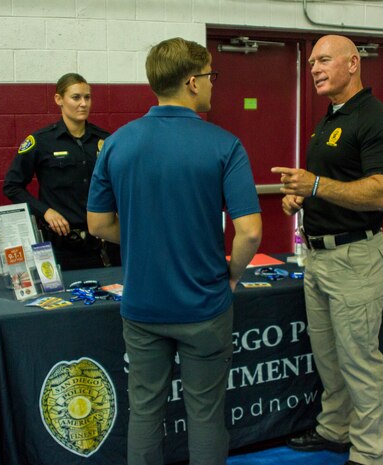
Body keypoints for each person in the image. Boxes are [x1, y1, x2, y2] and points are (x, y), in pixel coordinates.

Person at [86, 37, 262, 465]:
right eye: (210, 76)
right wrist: (234, 274)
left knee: (144, 412)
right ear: (191, 82)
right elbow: (250, 233)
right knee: (205, 414)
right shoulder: (224, 145)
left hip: (144, 305)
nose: (213, 85)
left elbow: (98, 224)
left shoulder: (117, 143)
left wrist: (149, 237)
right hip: (204, 305)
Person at [271, 35, 383, 465]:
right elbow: (333, 184)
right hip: (319, 257)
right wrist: (302, 197)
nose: (314, 68)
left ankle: (369, 452)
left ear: (353, 63)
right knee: (328, 356)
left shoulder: (377, 120)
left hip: (355, 258)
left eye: (323, 60)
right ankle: (335, 428)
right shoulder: (329, 119)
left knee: (360, 361)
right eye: (311, 62)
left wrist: (315, 185)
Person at [3, 73, 120, 270]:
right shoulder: (41, 142)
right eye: (76, 97)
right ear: (59, 99)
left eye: (87, 97)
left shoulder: (105, 141)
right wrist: (45, 212)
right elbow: (12, 186)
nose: (83, 103)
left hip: (103, 244)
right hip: (62, 247)